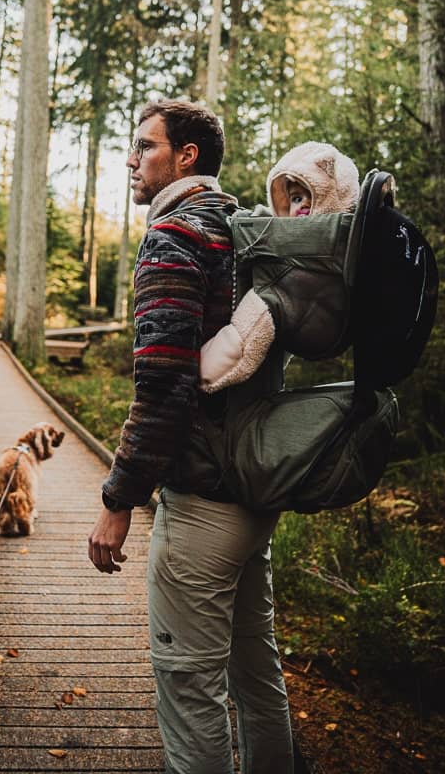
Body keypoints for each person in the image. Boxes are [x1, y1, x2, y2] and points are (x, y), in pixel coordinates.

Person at [87, 99, 295, 774]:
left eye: (143, 146)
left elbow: (164, 384)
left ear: (186, 157)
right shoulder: (245, 232)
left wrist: (119, 499)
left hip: (203, 497)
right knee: (255, 672)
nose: (130, 159)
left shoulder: (175, 236)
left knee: (189, 685)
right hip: (256, 487)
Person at [200, 141, 360, 394]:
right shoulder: (308, 248)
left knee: (252, 325)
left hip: (303, 311)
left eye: (312, 195)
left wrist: (192, 373)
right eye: (296, 198)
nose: (302, 205)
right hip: (309, 323)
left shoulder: (298, 272)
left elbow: (243, 337)